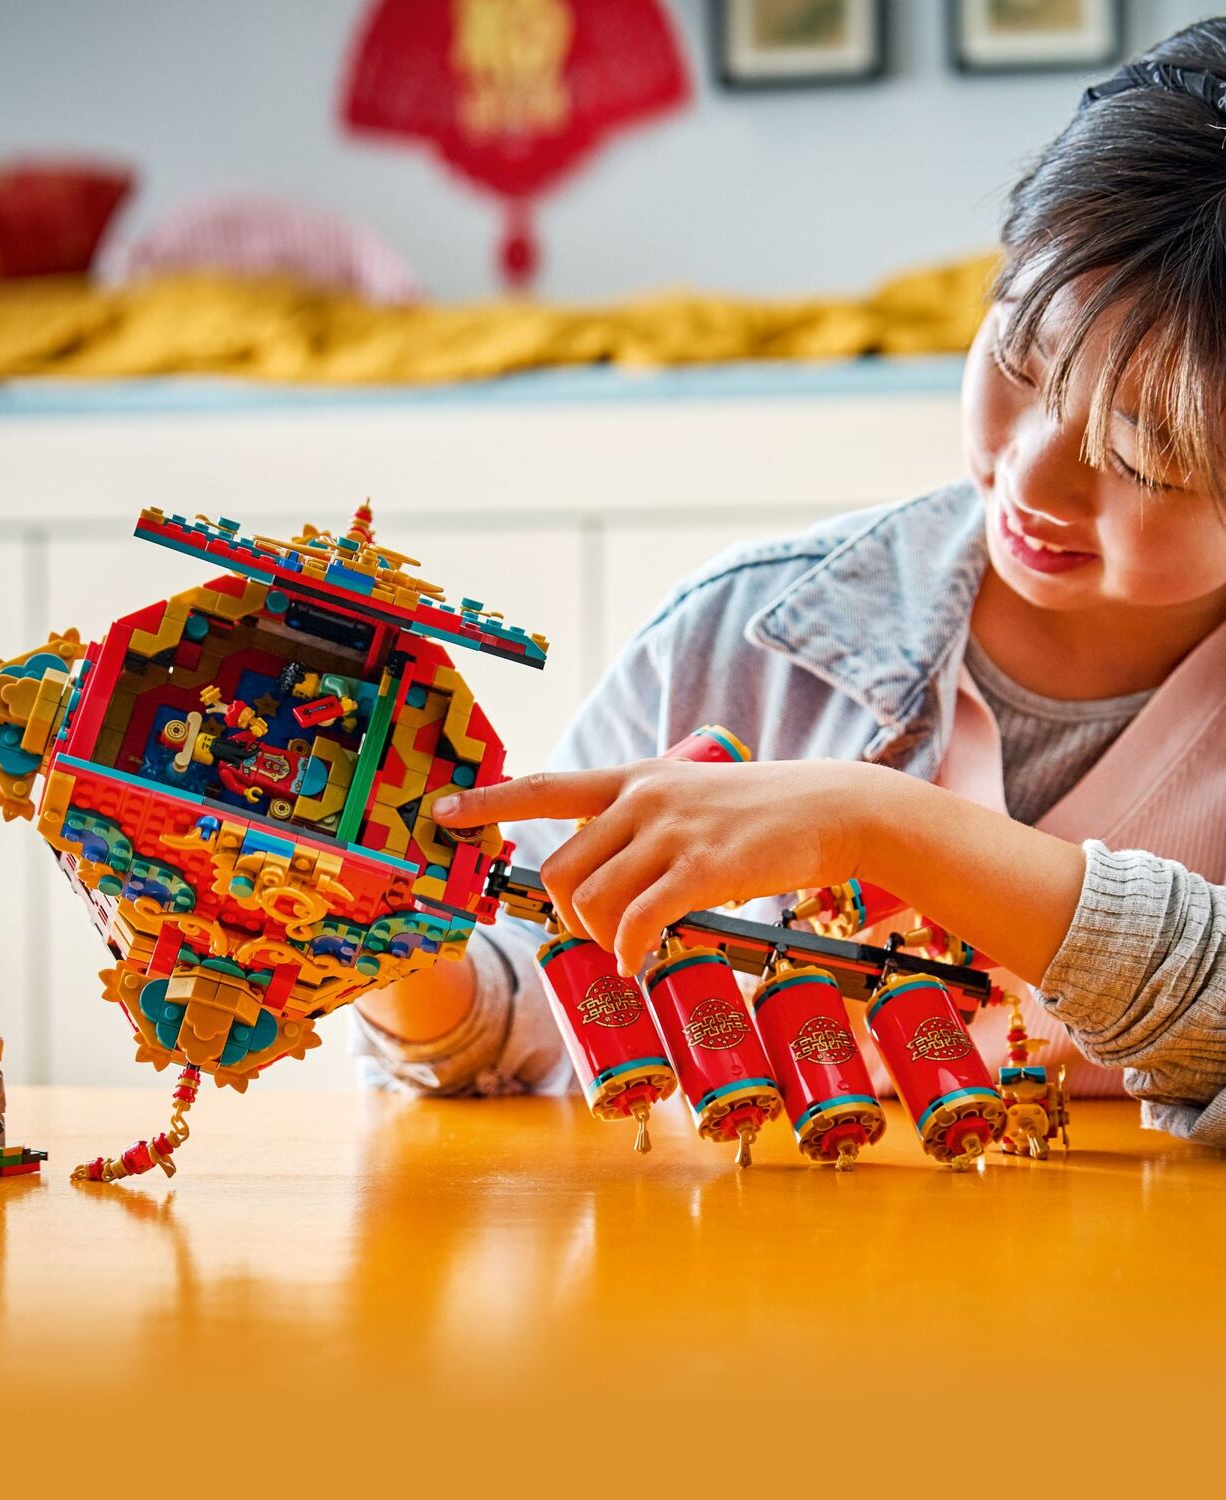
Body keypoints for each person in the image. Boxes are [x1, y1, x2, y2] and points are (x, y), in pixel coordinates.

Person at [351, 19, 1226, 1147]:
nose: (1031, 476)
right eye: (1017, 360)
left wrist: (878, 823)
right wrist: (375, 935)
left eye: (1145, 456)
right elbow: (519, 1005)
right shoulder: (744, 638)